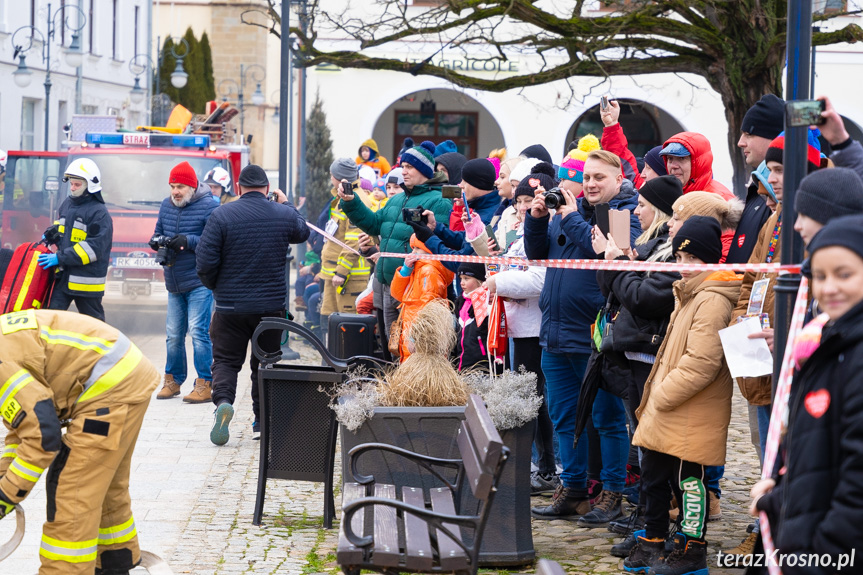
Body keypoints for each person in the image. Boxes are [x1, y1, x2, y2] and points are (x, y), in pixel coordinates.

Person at [525, 150, 639, 522]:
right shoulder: (565, 211)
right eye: (587, 177)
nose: (590, 183)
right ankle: (572, 489)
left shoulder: (623, 214)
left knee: (607, 420)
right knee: (562, 417)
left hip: (597, 338)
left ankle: (612, 493)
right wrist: (537, 219)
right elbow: (535, 253)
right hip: (555, 333)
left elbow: (599, 247)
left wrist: (569, 215)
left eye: (599, 177)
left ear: (618, 180)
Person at [0, 309, 159, 575]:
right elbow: (23, 428)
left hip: (111, 388)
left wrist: (6, 494)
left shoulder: (2, 366)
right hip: (125, 375)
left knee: (72, 489)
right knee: (105, 484)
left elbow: (43, 437)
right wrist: (4, 475)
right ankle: (113, 564)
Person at [625, 216, 741, 575]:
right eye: (680, 259)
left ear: (710, 261)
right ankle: (655, 539)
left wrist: (660, 395)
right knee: (655, 473)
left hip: (690, 404)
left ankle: (693, 548)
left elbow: (702, 362)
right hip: (672, 401)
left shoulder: (712, 299)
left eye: (694, 261)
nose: (685, 267)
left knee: (689, 479)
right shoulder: (688, 293)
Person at [751, 214, 863, 571]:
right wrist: (779, 494)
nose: (829, 287)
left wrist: (822, 553)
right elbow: (814, 452)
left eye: (844, 274)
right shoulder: (828, 345)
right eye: (820, 276)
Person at [594, 175, 683, 557]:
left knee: (654, 450)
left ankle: (657, 525)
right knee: (644, 446)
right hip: (634, 354)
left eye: (644, 204)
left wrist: (618, 264)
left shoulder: (670, 252)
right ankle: (649, 521)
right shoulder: (648, 247)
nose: (636, 210)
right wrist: (611, 260)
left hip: (652, 356)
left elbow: (642, 298)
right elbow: (611, 289)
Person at [195, 164, 309, 445]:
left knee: (225, 361)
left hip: (230, 307)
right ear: (267, 189)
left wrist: (216, 288)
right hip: (270, 308)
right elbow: (302, 232)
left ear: (239, 186)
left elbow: (205, 262)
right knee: (266, 363)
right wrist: (289, 205)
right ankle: (262, 421)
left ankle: (223, 402)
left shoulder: (221, 215)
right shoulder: (282, 214)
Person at [484, 166, 554, 493]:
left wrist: (499, 282)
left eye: (529, 199)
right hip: (515, 325)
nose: (524, 206)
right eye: (520, 200)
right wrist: (495, 268)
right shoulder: (520, 230)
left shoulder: (545, 230)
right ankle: (532, 461)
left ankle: (546, 466)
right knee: (524, 396)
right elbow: (512, 266)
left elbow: (539, 280)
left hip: (533, 326)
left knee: (533, 398)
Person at [339, 140, 452, 343]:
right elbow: (374, 224)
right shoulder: (396, 200)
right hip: (384, 281)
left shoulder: (439, 201)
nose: (404, 171)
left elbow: (438, 242)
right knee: (388, 343)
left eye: (409, 167)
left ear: (424, 169)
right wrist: (351, 202)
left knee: (407, 343)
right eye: (403, 167)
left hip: (411, 285)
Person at [150, 162, 218, 403]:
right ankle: (173, 380)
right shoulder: (166, 205)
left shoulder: (209, 206)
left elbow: (215, 241)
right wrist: (156, 241)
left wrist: (186, 241)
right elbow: (158, 231)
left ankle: (205, 383)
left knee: (199, 332)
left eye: (179, 186)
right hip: (173, 280)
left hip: (199, 280)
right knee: (173, 334)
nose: (175, 191)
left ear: (191, 186)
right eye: (172, 186)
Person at [39, 158, 113, 322]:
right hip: (64, 277)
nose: (72, 188)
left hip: (86, 283)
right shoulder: (68, 204)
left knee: (95, 327)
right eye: (71, 184)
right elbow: (62, 227)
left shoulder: (99, 213)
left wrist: (59, 258)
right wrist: (52, 234)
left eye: (77, 185)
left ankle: (101, 348)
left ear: (90, 185)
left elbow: (93, 249)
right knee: (49, 319)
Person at [318, 159, 373, 342]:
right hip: (335, 276)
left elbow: (354, 240)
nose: (329, 177)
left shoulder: (355, 199)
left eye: (331, 174)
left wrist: (342, 271)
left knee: (347, 328)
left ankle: (346, 365)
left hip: (348, 278)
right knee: (330, 321)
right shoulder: (343, 198)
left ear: (339, 177)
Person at [726, 94, 784, 264]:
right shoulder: (757, 186)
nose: (740, 143)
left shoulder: (782, 191)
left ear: (774, 137)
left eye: (748, 134)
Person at [389, 234, 454, 361]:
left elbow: (428, 308)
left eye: (418, 249)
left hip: (421, 339)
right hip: (412, 331)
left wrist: (415, 337)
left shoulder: (429, 272)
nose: (413, 253)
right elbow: (397, 294)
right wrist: (405, 271)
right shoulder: (419, 270)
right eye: (413, 248)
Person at [660, 132, 734, 198]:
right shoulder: (666, 197)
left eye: (681, 158)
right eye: (670, 159)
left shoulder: (720, 200)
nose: (673, 166)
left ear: (699, 163)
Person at [453, 263, 491, 371]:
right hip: (461, 364)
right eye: (461, 278)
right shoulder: (460, 302)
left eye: (467, 278)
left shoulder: (487, 303)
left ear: (480, 281)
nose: (462, 283)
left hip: (481, 366)